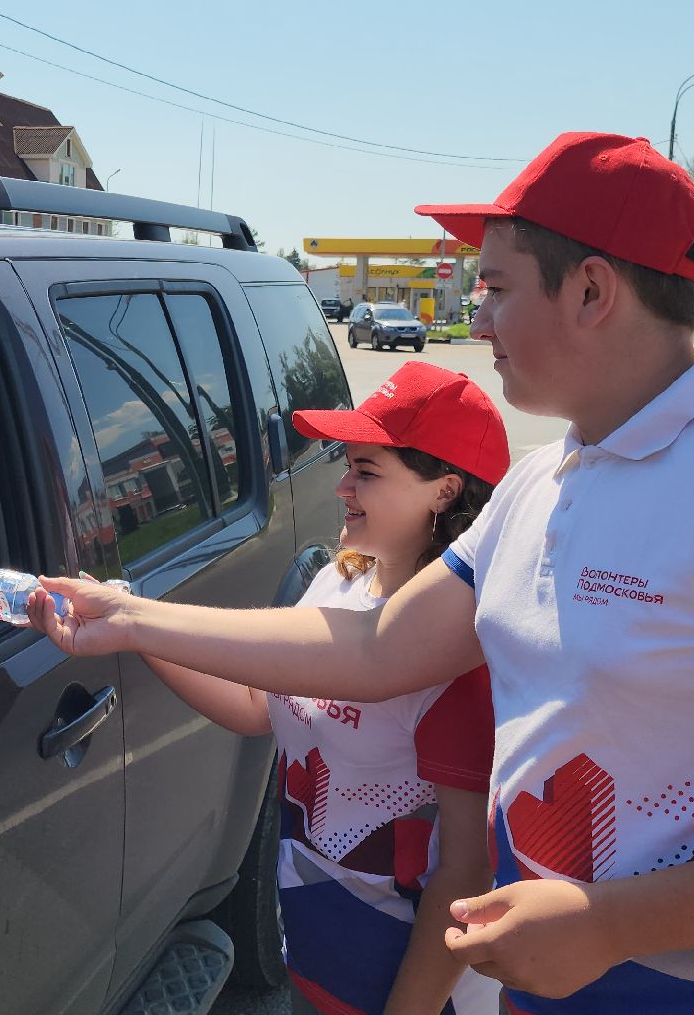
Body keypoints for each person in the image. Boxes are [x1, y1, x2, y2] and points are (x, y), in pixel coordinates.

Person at [30, 132, 694, 1010]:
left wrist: (613, 923)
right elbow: (376, 644)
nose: (474, 312)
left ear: (591, 290)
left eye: (495, 288)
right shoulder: (544, 481)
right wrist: (129, 617)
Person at [145, 360, 505, 1015]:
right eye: (346, 464)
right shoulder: (340, 579)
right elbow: (258, 705)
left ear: (445, 491)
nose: (341, 486)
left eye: (367, 471)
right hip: (313, 951)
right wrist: (133, 629)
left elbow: (467, 871)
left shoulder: (463, 652)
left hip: (415, 988)